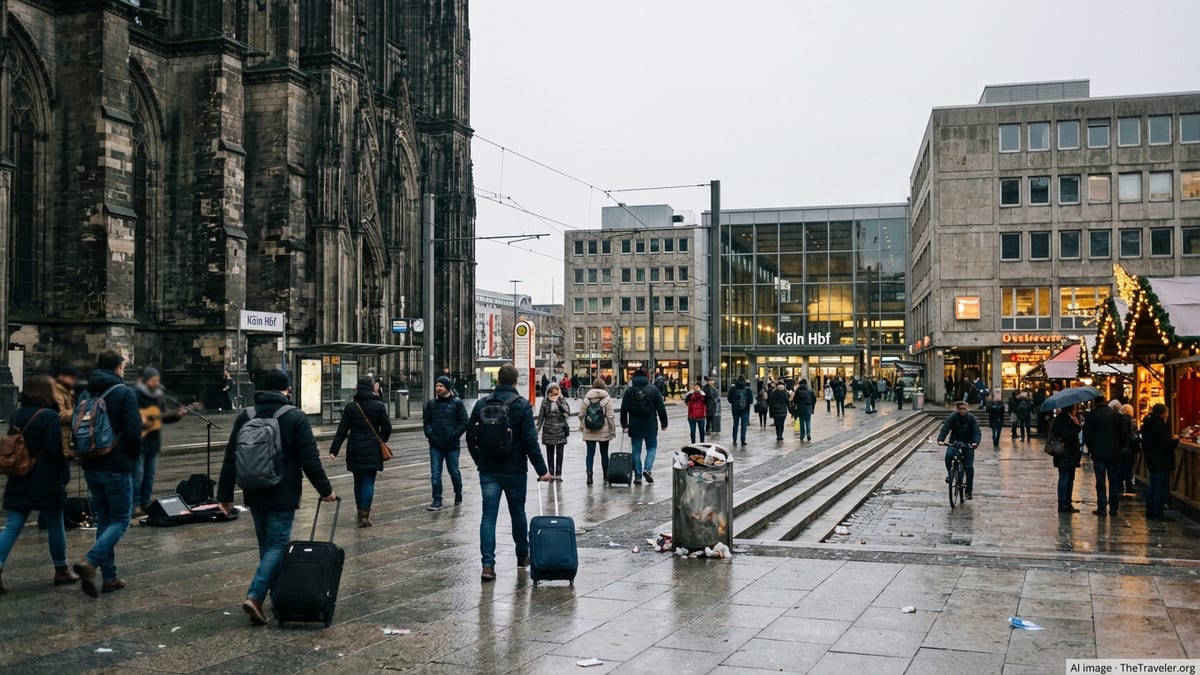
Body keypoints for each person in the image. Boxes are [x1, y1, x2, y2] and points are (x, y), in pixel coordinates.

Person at [217, 369, 335, 625]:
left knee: (266, 546)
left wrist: (224, 495)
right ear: (286, 389)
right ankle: (256, 596)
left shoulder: (246, 415)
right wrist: (326, 490)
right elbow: (309, 459)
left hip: (253, 490)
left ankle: (274, 597)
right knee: (277, 545)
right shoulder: (294, 417)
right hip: (283, 491)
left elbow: (230, 456)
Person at [466, 364, 553, 581]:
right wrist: (542, 470)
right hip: (515, 469)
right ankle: (522, 556)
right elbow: (530, 441)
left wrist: (480, 460)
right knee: (518, 513)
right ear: (515, 382)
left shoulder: (482, 403)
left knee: (488, 517)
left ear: (498, 380)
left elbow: (470, 437)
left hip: (488, 470)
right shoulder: (522, 405)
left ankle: (487, 565)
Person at [71, 351, 142, 598]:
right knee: (121, 520)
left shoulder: (86, 393)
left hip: (91, 463)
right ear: (118, 368)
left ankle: (109, 577)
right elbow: (133, 432)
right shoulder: (124, 393)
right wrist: (132, 459)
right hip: (116, 465)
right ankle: (90, 561)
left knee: (104, 518)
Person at [0, 376, 79, 594]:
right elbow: (55, 452)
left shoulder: (17, 414)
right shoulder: (49, 417)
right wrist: (63, 476)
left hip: (20, 475)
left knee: (13, 525)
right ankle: (61, 570)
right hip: (46, 480)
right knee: (55, 523)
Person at [329, 376, 392, 527]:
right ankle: (365, 515)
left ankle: (359, 513)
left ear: (358, 388)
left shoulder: (351, 407)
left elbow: (342, 430)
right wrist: (381, 440)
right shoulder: (379, 406)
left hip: (355, 448)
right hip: (373, 448)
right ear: (371, 388)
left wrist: (334, 450)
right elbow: (387, 428)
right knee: (369, 481)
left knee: (358, 482)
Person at [133, 367, 190, 517]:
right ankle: (134, 505)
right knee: (137, 474)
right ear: (145, 380)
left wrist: (177, 415)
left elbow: (163, 416)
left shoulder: (158, 396)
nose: (156, 383)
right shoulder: (135, 394)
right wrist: (141, 420)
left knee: (149, 474)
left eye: (157, 380)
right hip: (139, 440)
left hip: (153, 441)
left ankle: (145, 503)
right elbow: (131, 413)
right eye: (153, 380)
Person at [422, 375, 469, 511]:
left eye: (441, 386)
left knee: (453, 471)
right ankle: (437, 500)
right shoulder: (431, 404)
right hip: (435, 445)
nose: (438, 388)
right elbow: (426, 422)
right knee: (435, 473)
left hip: (452, 445)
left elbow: (464, 421)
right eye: (437, 386)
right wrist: (430, 434)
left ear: (447, 387)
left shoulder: (457, 402)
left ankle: (458, 493)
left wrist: (454, 435)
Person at [620, 368, 668, 484]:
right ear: (647, 377)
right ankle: (647, 469)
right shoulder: (654, 390)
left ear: (634, 378)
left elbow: (624, 409)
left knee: (636, 450)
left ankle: (637, 476)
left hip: (635, 425)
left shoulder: (629, 391)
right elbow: (661, 408)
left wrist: (624, 424)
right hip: (650, 425)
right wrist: (664, 423)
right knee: (651, 448)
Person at [1083, 399, 1126, 517]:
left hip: (1099, 453)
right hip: (1114, 453)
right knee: (1114, 481)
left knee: (1100, 481)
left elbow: (1087, 435)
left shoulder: (1092, 416)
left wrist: (1091, 448)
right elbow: (1123, 434)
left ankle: (1101, 507)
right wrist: (1119, 447)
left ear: (1095, 403)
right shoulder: (1117, 416)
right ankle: (1114, 508)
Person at [937, 401, 981, 500]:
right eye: (960, 409)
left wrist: (975, 442)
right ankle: (950, 474)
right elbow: (945, 428)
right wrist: (941, 439)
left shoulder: (971, 418)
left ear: (967, 409)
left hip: (968, 444)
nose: (962, 411)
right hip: (955, 443)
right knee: (948, 456)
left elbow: (976, 431)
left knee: (969, 467)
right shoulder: (953, 417)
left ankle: (968, 491)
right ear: (957, 409)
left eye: (964, 408)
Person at [1140, 403, 1176, 521]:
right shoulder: (1159, 426)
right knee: (1160, 486)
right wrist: (1175, 441)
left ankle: (1150, 510)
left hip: (1152, 459)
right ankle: (1158, 512)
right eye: (1166, 412)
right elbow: (1165, 443)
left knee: (1153, 485)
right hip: (1161, 460)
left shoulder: (1148, 424)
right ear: (1163, 413)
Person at [579, 378, 616, 486]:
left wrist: (582, 424)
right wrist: (612, 431)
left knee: (590, 454)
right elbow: (610, 416)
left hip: (589, 429)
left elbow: (581, 414)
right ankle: (606, 474)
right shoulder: (607, 399)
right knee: (604, 453)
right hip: (603, 429)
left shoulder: (587, 398)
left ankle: (589, 475)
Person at [1050, 404, 1084, 513]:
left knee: (1069, 479)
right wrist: (1077, 427)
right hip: (1065, 454)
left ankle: (1067, 503)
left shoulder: (1067, 418)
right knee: (1065, 478)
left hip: (1070, 454)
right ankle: (1063, 504)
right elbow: (1067, 434)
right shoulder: (1063, 418)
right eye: (1074, 408)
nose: (1076, 409)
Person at [536, 383, 571, 480]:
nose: (553, 393)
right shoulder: (545, 402)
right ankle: (551, 472)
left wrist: (558, 402)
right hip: (548, 431)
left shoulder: (562, 400)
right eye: (551, 391)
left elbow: (567, 413)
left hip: (560, 430)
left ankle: (558, 473)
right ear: (548, 392)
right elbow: (540, 418)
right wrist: (536, 431)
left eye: (555, 390)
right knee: (550, 453)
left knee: (560, 453)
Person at [51, 364, 81, 457]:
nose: (74, 380)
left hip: (66, 439)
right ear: (62, 377)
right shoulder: (57, 393)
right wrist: (78, 412)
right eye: (72, 377)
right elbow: (59, 414)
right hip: (61, 440)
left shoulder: (66, 391)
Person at [726, 375, 752, 446]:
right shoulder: (747, 389)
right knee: (744, 425)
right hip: (745, 409)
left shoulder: (732, 389)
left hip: (735, 409)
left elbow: (729, 399)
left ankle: (734, 440)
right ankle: (743, 440)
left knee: (735, 424)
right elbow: (751, 400)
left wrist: (734, 403)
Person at [1118, 403, 1138, 494]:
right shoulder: (1132, 421)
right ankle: (1129, 485)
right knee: (1129, 468)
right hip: (1129, 449)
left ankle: (1120, 485)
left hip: (1120, 449)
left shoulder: (1118, 421)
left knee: (1121, 468)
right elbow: (1134, 435)